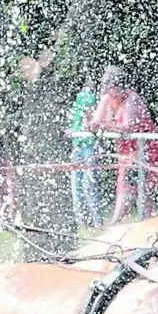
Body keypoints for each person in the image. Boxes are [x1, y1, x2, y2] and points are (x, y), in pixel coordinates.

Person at [90, 65, 158, 225]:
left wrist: (106, 126)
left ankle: (121, 222)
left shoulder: (131, 99)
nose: (108, 91)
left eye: (110, 87)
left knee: (138, 187)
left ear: (118, 86)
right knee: (131, 186)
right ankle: (144, 221)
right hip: (126, 152)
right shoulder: (107, 98)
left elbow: (129, 126)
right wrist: (92, 125)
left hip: (144, 148)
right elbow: (96, 122)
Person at [66, 74, 102, 228]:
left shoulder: (83, 96)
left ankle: (86, 220)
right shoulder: (88, 96)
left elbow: (88, 116)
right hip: (83, 143)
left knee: (81, 185)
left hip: (83, 143)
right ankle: (93, 220)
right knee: (86, 184)